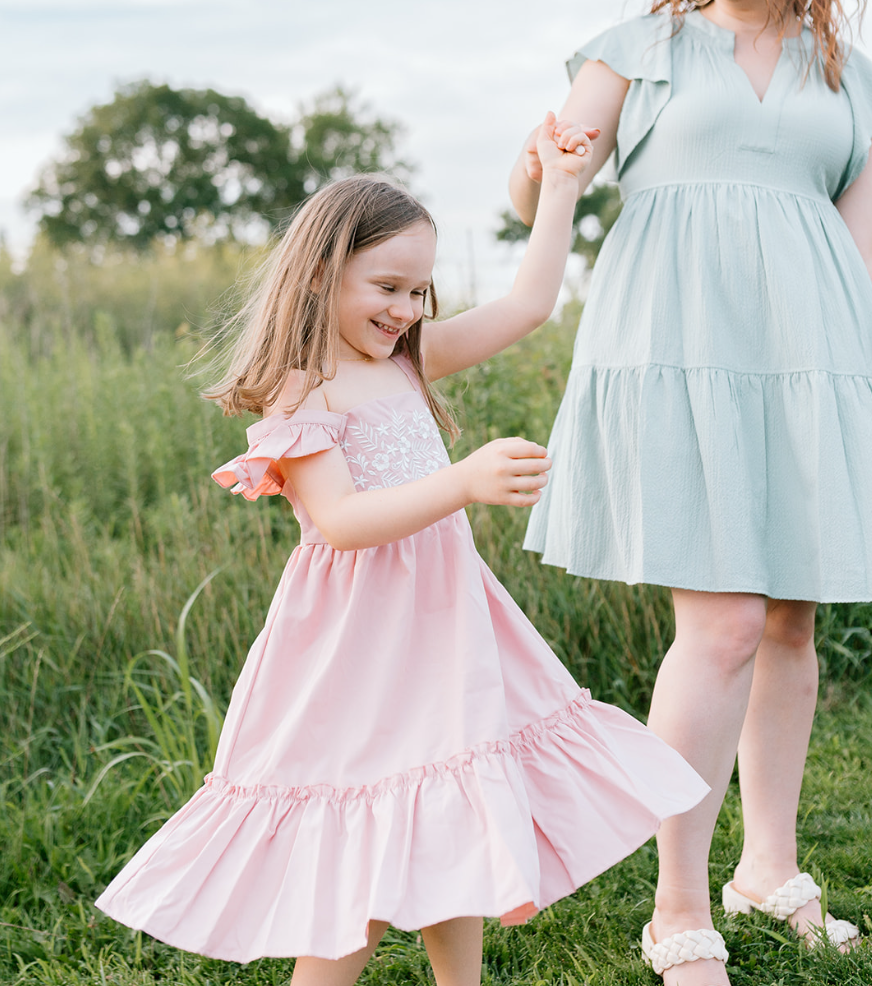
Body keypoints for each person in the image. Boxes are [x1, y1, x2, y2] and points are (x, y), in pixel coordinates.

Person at [95, 120, 708, 986]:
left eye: (420, 292)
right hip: (359, 650)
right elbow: (340, 521)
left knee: (451, 818)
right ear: (321, 273)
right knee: (363, 852)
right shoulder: (301, 383)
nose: (407, 311)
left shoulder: (407, 359)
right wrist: (463, 481)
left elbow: (526, 306)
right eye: (387, 287)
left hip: (443, 632)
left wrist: (562, 188)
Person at [509, 0, 872, 983]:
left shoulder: (847, 70)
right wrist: (538, 166)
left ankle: (767, 871)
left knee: (786, 624)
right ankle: (675, 906)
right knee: (716, 624)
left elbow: (858, 241)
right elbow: (537, 179)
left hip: (807, 356)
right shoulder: (644, 47)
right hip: (674, 348)